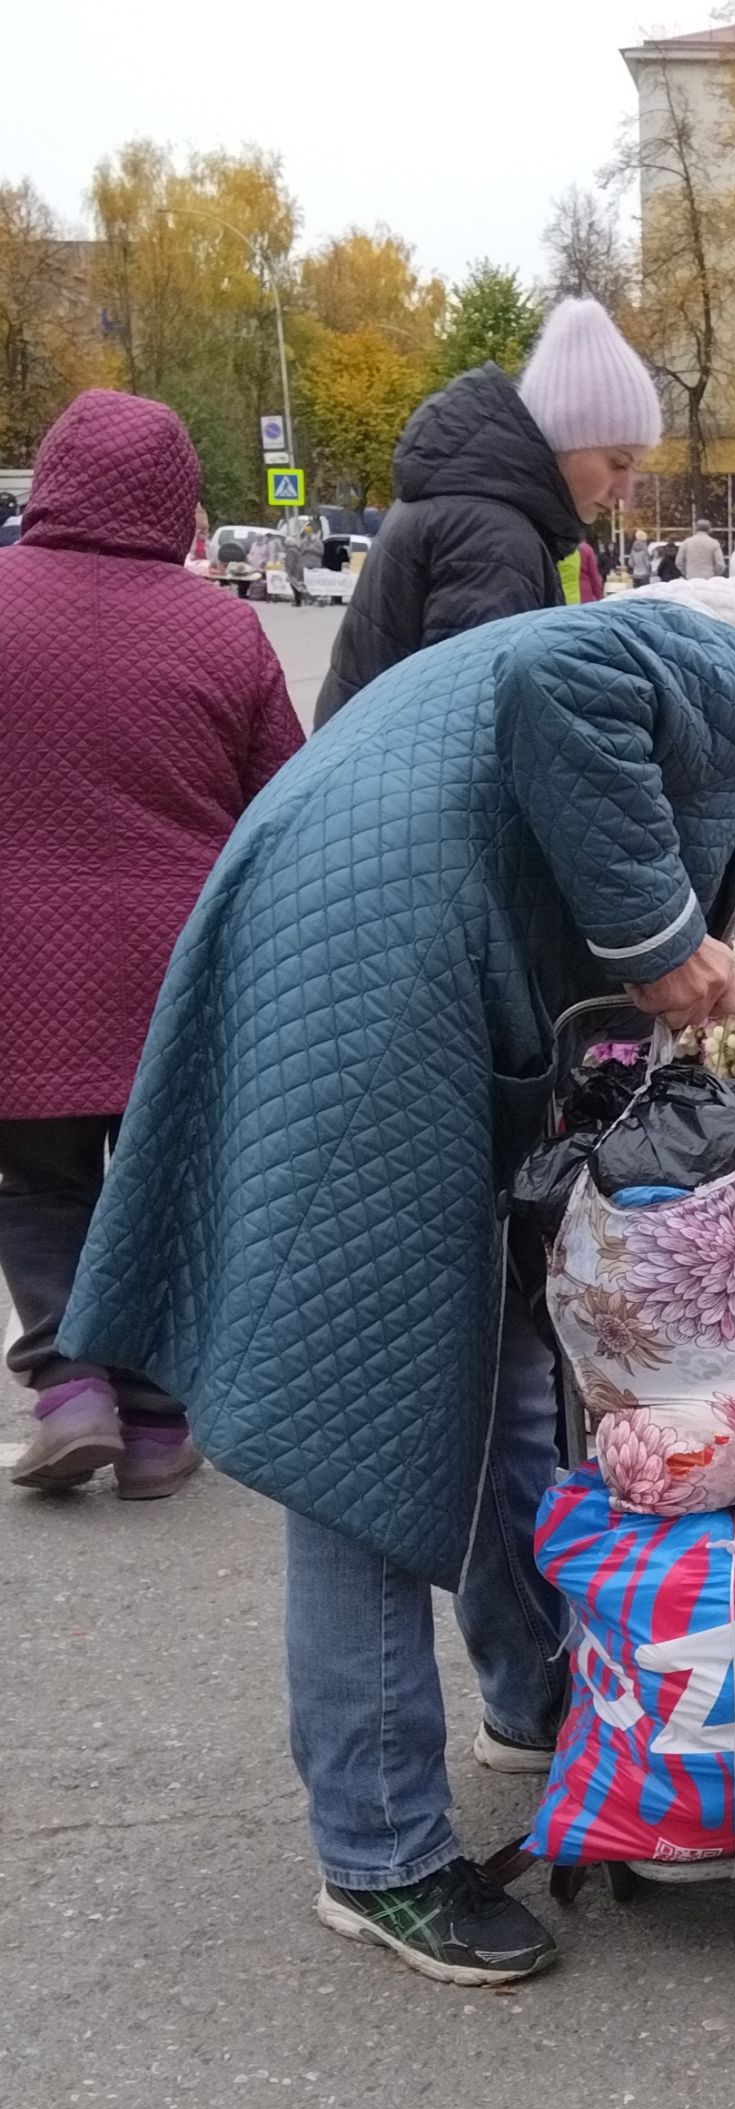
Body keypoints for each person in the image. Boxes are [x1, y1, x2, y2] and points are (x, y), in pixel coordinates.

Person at [63, 598, 735, 1986]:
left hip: (381, 959)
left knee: (510, 1371)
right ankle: (379, 1851)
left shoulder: (681, 683)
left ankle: (536, 1698)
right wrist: (658, 934)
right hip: (371, 986)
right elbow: (555, 674)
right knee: (373, 1431)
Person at [0, 389, 303, 1497]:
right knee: (168, 1193)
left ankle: (72, 1385)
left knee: (36, 1186)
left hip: (17, 966)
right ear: (177, 500)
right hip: (181, 972)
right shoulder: (221, 625)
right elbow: (285, 802)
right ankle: (162, 1420)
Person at [315, 295, 662, 723]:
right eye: (617, 462)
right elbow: (475, 728)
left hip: (368, 774)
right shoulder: (492, 536)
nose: (625, 489)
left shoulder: (473, 506)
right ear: (564, 439)